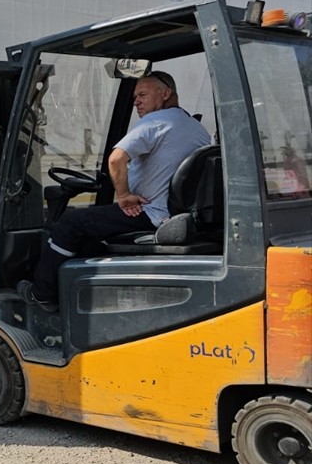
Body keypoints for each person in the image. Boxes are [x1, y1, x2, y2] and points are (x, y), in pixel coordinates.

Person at [19, 72, 211, 310]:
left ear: (165, 93)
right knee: (90, 233)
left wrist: (123, 196)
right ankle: (76, 290)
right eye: (134, 97)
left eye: (142, 94)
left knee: (70, 222)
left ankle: (42, 294)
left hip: (150, 213)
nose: (136, 102)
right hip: (178, 215)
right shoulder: (196, 128)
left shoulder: (156, 122)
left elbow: (116, 160)